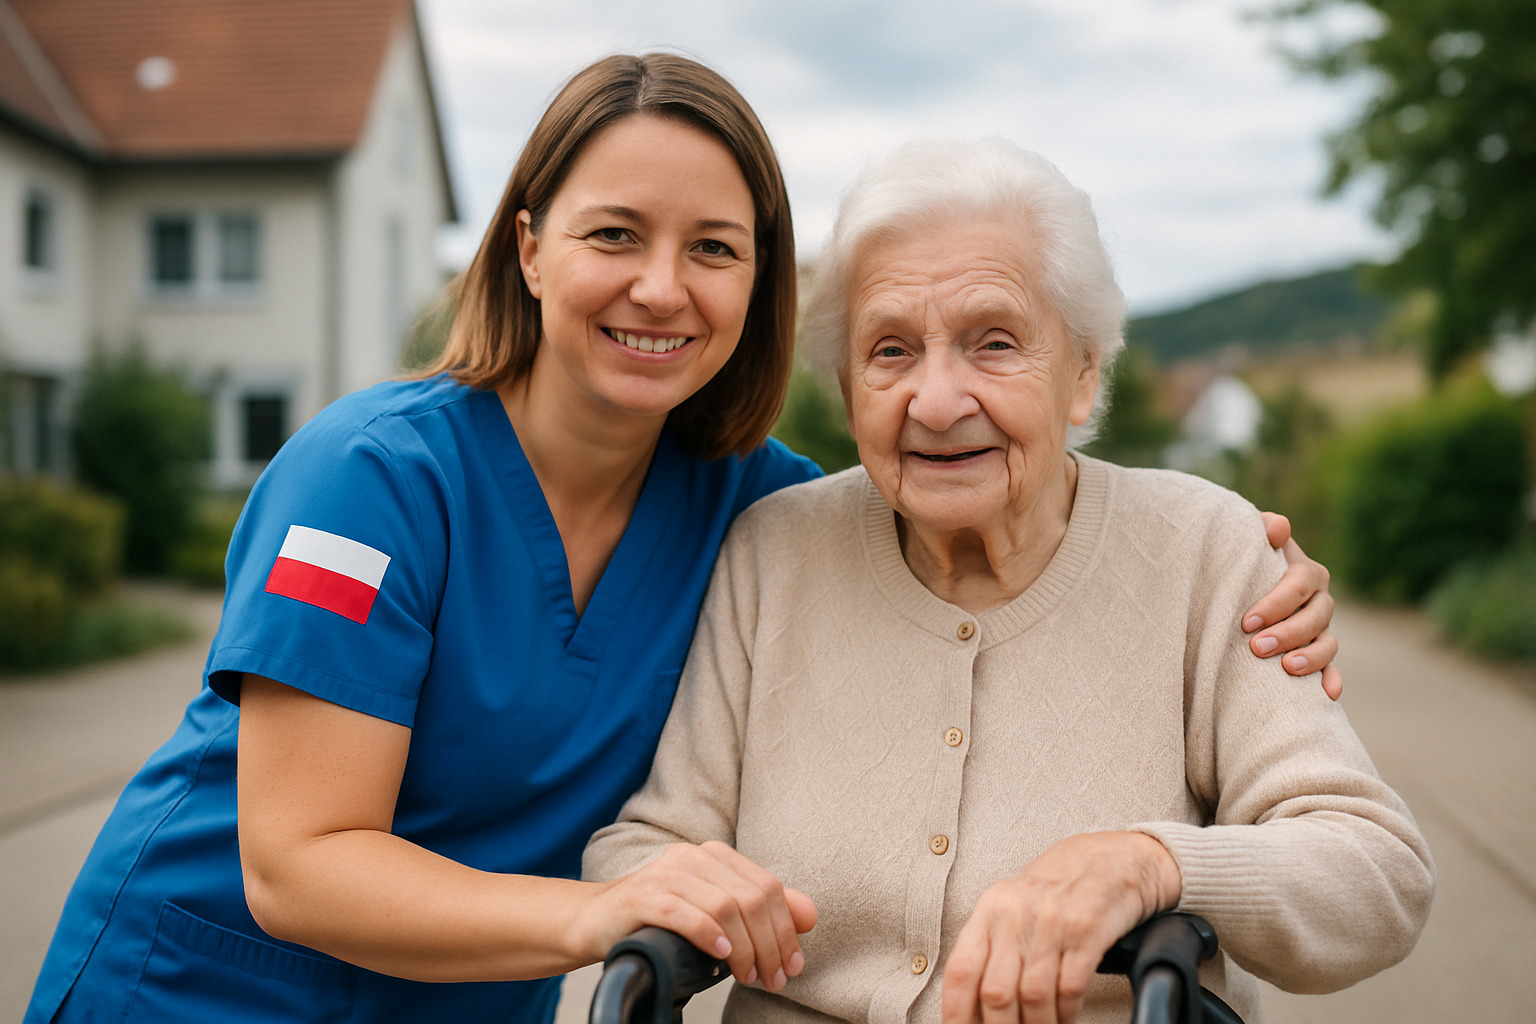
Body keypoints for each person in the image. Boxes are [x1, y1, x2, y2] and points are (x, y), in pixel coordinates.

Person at [26, 57, 1337, 1024]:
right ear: (529, 249)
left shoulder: (759, 511)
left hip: (467, 1001)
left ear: (760, 284)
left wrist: (1239, 562)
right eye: (614, 235)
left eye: (714, 247)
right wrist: (598, 912)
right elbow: (297, 866)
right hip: (204, 987)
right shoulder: (364, 480)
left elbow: (974, 505)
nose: (661, 288)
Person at [583, 138, 1434, 1024]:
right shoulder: (773, 552)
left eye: (993, 344)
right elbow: (645, 843)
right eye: (890, 351)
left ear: (1084, 372)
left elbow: (1376, 875)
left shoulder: (1204, 550)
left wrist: (1151, 864)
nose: (937, 401)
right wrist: (685, 887)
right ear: (846, 386)